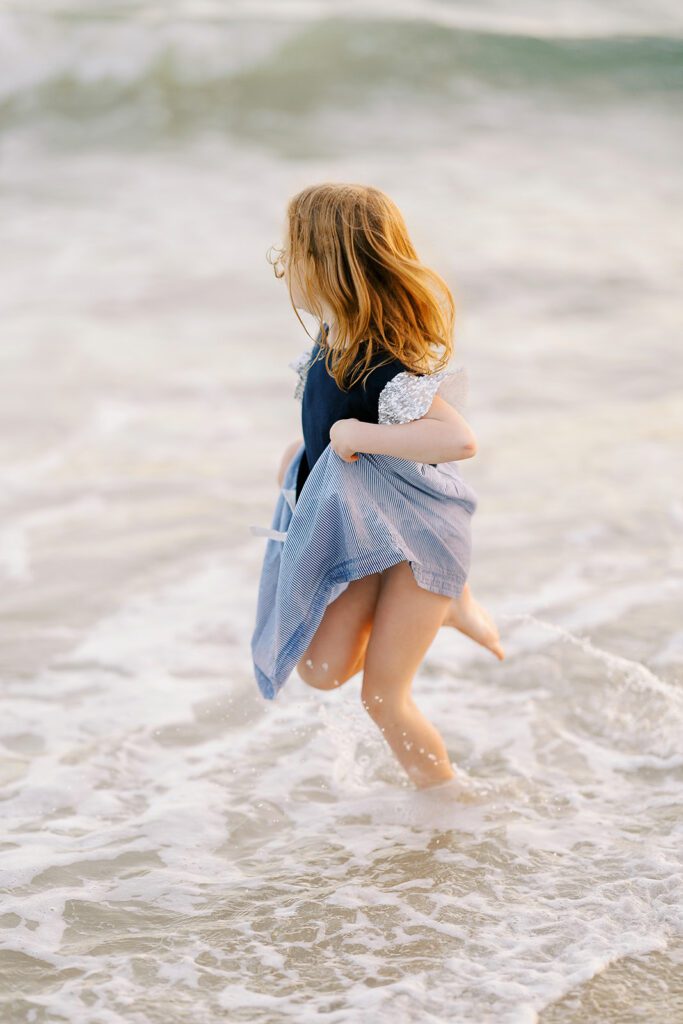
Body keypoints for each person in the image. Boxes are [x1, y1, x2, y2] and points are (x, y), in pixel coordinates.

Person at [250, 182, 504, 790]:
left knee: (383, 698)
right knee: (320, 668)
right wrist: (307, 453)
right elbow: (327, 432)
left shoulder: (390, 358)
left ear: (330, 264)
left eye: (295, 254)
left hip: (424, 544)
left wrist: (358, 433)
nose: (284, 267)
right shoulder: (328, 341)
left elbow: (458, 440)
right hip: (372, 532)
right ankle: (450, 608)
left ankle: (451, 805)